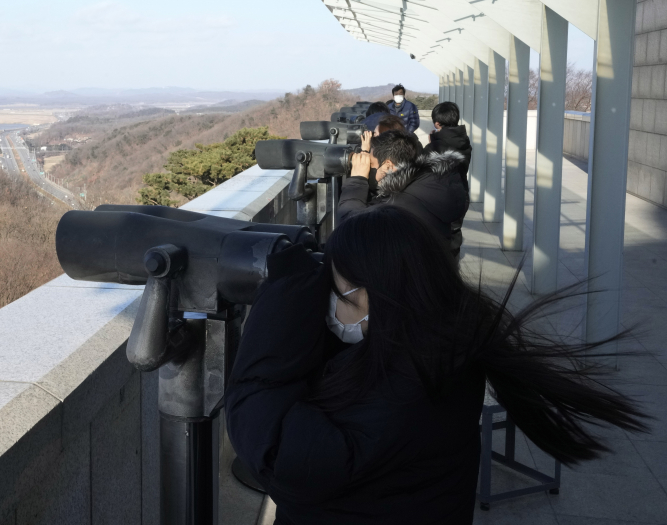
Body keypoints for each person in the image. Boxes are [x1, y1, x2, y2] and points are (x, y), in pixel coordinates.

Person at [226, 205, 649, 525]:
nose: (329, 307)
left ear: (374, 295)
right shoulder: (438, 342)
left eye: (336, 293)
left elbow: (280, 456)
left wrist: (280, 304)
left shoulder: (406, 384)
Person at [337, 131, 468, 250]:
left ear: (388, 165)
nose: (368, 169)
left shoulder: (397, 206)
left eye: (371, 164)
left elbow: (351, 230)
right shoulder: (428, 187)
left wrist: (357, 180)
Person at [424, 101, 472, 256]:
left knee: (438, 237)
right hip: (461, 193)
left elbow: (425, 166)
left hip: (440, 197)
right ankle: (453, 263)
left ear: (437, 123)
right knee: (455, 232)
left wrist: (433, 143)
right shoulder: (464, 141)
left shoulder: (435, 147)